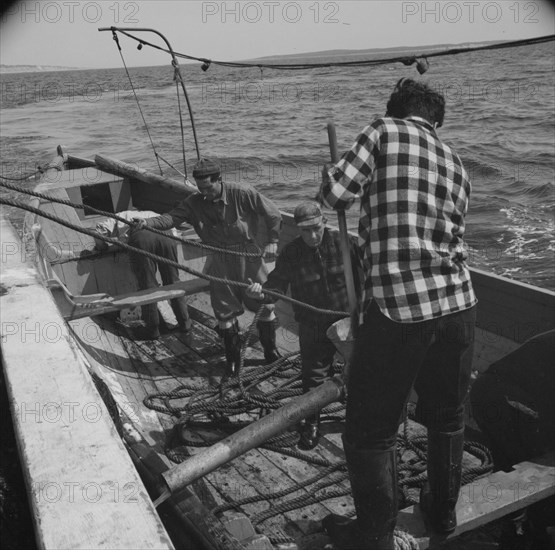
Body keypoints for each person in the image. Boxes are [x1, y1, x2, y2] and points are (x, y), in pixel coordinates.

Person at [318, 78, 478, 549]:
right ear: (436, 122)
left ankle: (375, 530)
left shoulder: (384, 131)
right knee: (447, 416)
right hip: (459, 304)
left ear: (396, 110)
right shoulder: (457, 162)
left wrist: (327, 176)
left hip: (401, 308)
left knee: (370, 429)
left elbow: (335, 197)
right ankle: (442, 515)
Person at [133, 158, 282, 375]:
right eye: (200, 188)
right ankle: (232, 360)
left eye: (208, 187)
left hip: (250, 257)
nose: (204, 193)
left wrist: (273, 241)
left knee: (264, 305)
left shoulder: (242, 192)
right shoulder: (194, 202)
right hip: (220, 260)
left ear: (219, 180)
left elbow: (273, 214)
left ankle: (271, 352)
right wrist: (148, 223)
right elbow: (170, 219)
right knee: (224, 311)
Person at [246, 202, 359, 450]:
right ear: (298, 230)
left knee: (362, 373)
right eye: (306, 231)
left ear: (325, 222)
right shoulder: (291, 253)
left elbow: (366, 281)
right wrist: (261, 293)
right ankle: (312, 421)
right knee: (313, 377)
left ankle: (360, 419)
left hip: (348, 323)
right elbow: (276, 286)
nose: (313, 236)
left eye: (316, 229)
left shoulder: (347, 244)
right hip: (312, 325)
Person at [470, 330, 555, 549]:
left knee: (520, 466)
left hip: (507, 396)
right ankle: (531, 533)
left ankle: (520, 532)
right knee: (534, 471)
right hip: (497, 397)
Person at [94, 210, 191, 340]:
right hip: (168, 238)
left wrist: (102, 247)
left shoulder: (120, 216)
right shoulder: (153, 213)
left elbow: (98, 231)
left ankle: (152, 330)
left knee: (148, 286)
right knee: (173, 282)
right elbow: (173, 230)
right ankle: (185, 323)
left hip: (142, 239)